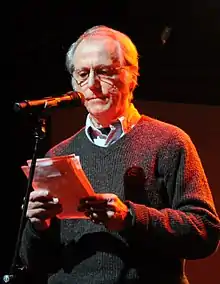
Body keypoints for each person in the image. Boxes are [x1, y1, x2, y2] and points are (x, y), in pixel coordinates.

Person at [19, 25, 220, 284]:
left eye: (104, 72)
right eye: (82, 73)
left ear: (132, 77)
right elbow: (35, 264)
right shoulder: (58, 154)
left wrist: (130, 218)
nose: (92, 84)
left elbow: (205, 232)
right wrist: (38, 226)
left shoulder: (170, 142)